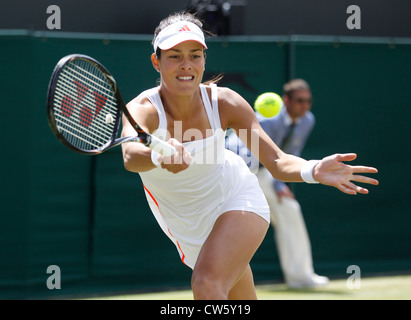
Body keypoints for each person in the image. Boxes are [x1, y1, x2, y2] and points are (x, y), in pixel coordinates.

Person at [120, 11, 378, 300]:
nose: (186, 65)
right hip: (184, 221)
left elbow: (277, 162)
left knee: (206, 284)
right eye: (175, 56)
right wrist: (159, 157)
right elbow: (131, 155)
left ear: (204, 59)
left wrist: (313, 169)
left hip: (236, 197)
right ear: (156, 61)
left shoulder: (225, 102)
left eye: (195, 55)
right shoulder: (143, 109)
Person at [226, 79, 329, 289]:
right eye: (300, 101)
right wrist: (279, 183)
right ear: (286, 101)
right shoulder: (267, 120)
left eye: (308, 101)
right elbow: (262, 155)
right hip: (236, 168)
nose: (305, 106)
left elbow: (289, 154)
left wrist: (281, 183)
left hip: (265, 172)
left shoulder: (307, 120)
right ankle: (223, 280)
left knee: (290, 210)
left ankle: (301, 277)